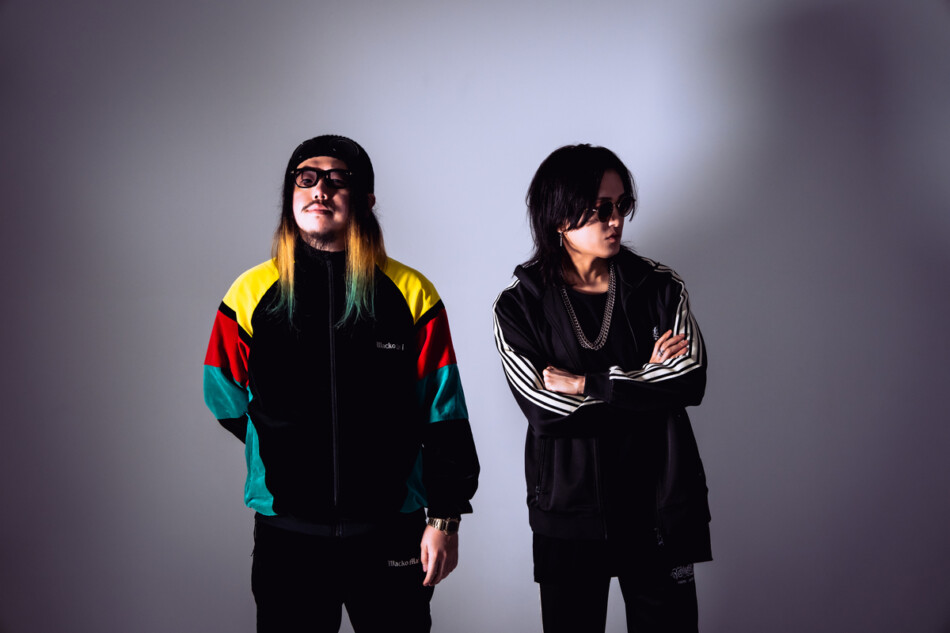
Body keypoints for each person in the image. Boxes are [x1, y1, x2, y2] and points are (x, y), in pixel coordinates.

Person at [203, 134, 479, 632]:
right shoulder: (249, 293)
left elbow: (444, 412)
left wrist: (445, 518)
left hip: (391, 531)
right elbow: (221, 391)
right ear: (290, 197)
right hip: (288, 537)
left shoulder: (411, 293)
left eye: (337, 180)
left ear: (366, 200)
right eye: (306, 178)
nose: (320, 190)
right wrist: (277, 439)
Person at [492, 144, 711, 633]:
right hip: (569, 513)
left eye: (621, 205)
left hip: (658, 506)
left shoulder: (659, 287)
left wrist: (586, 383)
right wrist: (646, 385)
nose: (616, 221)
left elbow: (689, 378)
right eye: (599, 209)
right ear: (559, 218)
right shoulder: (519, 306)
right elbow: (545, 411)